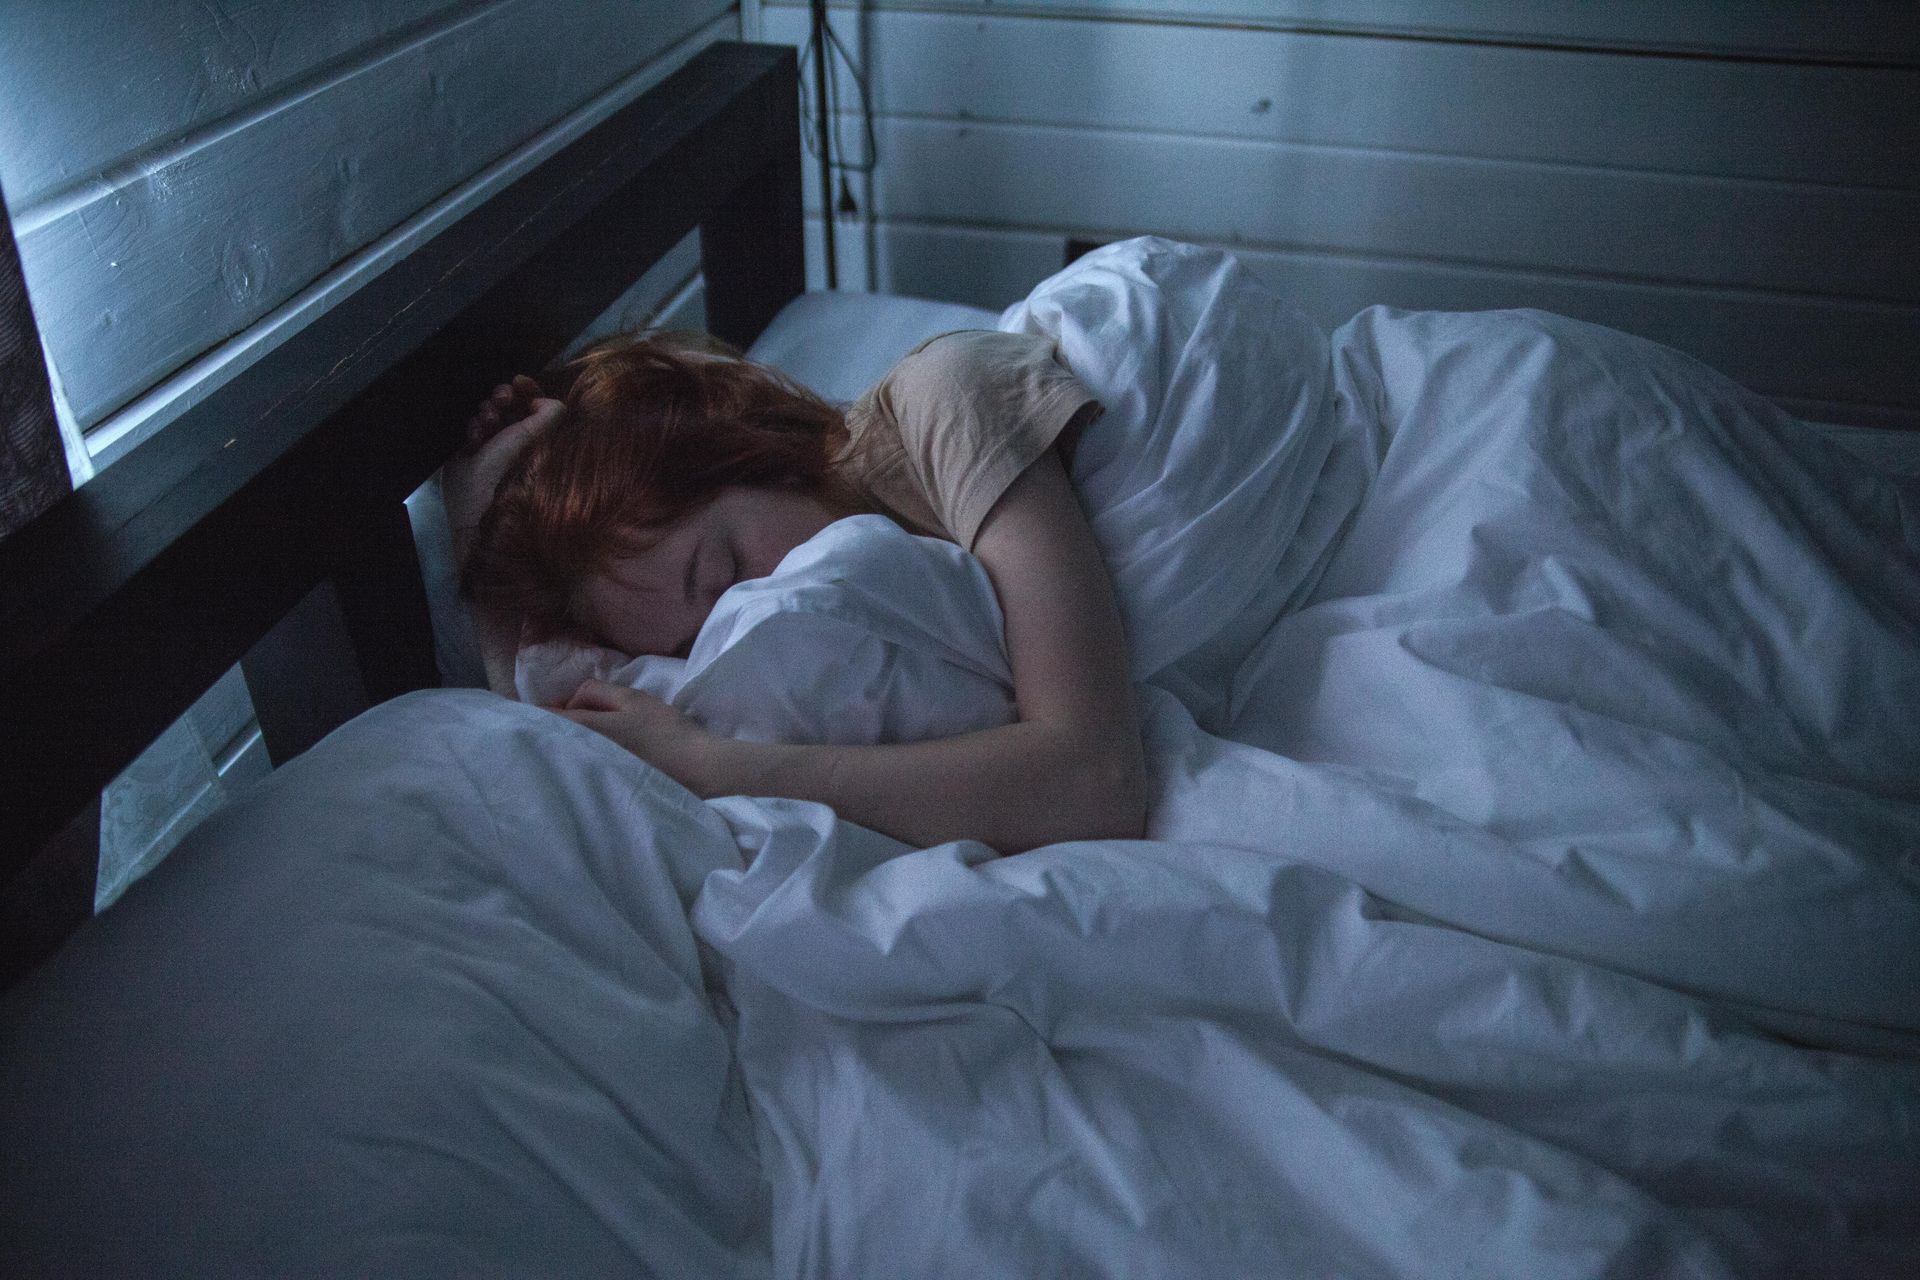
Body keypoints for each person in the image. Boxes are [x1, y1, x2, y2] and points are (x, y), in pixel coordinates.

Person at [443, 329, 1147, 855]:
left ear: (747, 450)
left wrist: (714, 768)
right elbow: (554, 750)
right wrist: (478, 543)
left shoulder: (947, 399)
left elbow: (1096, 780)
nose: (755, 615)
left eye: (724, 572)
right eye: (693, 644)